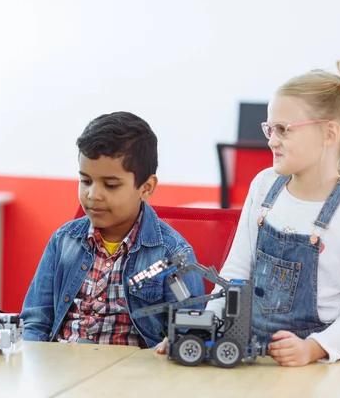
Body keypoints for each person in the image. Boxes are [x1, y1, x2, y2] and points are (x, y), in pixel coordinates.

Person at [200, 60, 340, 372]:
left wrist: (311, 349)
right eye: (270, 128)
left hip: (320, 367)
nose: (272, 140)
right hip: (253, 359)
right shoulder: (263, 185)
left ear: (329, 133)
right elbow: (234, 274)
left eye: (283, 130)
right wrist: (201, 330)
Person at [20, 111, 205, 348]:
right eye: (86, 181)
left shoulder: (171, 254)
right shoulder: (63, 241)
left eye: (110, 185)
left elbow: (190, 328)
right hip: (63, 368)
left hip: (130, 377)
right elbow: (35, 323)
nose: (93, 195)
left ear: (146, 188)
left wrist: (178, 341)